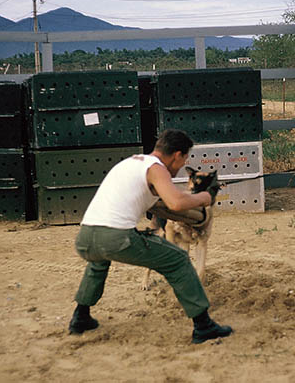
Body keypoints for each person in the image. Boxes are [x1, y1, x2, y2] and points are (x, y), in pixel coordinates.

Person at [68, 129, 232, 344]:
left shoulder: (131, 164)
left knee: (98, 263)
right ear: (177, 155)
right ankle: (203, 326)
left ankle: (80, 317)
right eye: (184, 160)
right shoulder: (156, 168)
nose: (183, 166)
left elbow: (164, 207)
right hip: (116, 238)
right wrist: (204, 198)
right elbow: (176, 203)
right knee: (178, 259)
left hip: (86, 237)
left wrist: (193, 210)